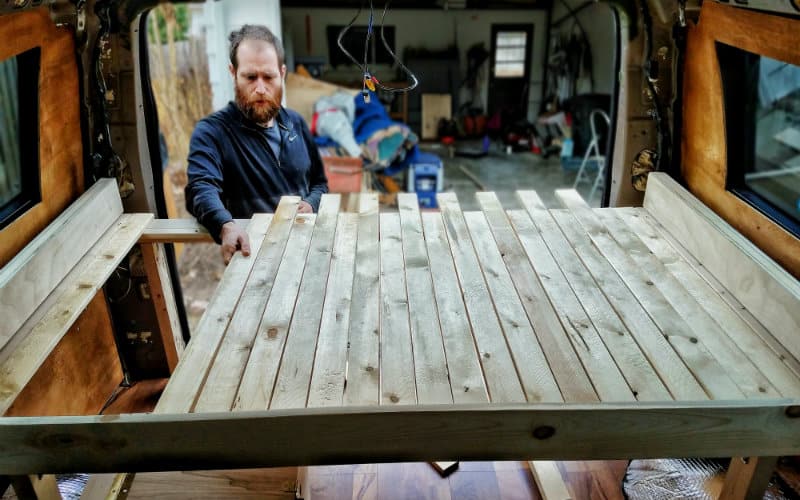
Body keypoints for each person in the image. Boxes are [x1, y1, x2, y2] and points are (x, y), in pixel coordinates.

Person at [185, 24, 328, 264]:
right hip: (252, 262)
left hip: (306, 255)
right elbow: (201, 188)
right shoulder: (212, 132)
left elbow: (320, 183)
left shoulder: (296, 124)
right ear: (233, 73)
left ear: (282, 73)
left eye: (269, 77)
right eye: (250, 77)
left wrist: (311, 203)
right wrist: (225, 226)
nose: (260, 89)